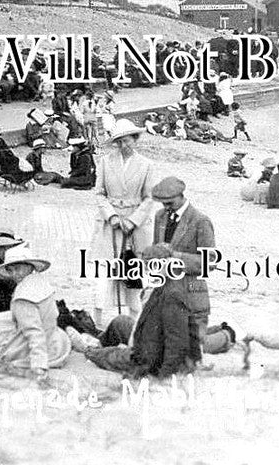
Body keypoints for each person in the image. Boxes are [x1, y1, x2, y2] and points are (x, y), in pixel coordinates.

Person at [90, 118, 157, 327]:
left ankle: (134, 323)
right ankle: (97, 321)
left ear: (135, 139)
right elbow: (99, 193)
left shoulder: (146, 165)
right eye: (119, 142)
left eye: (127, 141)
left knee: (133, 275)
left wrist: (133, 221)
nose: (123, 146)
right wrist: (111, 216)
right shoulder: (104, 162)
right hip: (110, 226)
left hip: (135, 228)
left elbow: (149, 198)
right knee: (103, 276)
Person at [147, 176, 215, 368]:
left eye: (170, 203)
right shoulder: (160, 217)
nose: (166, 208)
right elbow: (156, 248)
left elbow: (209, 262)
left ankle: (229, 334)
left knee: (193, 351)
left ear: (181, 196)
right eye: (163, 204)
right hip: (165, 289)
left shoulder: (201, 221)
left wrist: (174, 256)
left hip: (191, 292)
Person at [0, 243, 71, 379]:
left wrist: (39, 366)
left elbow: (34, 332)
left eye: (18, 268)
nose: (15, 274)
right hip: (53, 337)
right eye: (11, 270)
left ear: (29, 267)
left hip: (43, 349)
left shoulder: (23, 297)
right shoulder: (39, 281)